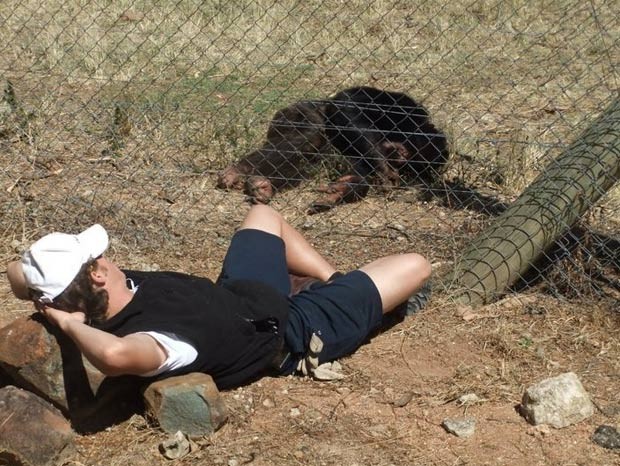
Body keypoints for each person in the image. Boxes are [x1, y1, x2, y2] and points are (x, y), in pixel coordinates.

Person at [6, 205, 431, 389]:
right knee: (415, 265)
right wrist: (67, 325)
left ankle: (329, 280)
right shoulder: (158, 341)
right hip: (292, 329)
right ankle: (333, 296)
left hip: (243, 292)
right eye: (101, 257)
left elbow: (17, 273)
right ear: (97, 274)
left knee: (264, 215)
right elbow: (115, 358)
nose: (109, 258)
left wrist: (49, 297)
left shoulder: (91, 291)